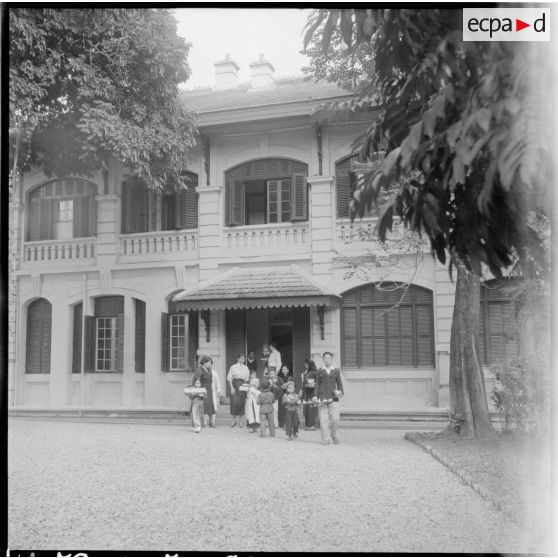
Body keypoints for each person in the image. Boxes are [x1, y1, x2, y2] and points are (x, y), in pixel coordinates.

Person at [312, 352, 344, 445]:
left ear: (332, 359)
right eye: (325, 358)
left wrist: (341, 392)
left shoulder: (336, 371)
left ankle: (333, 435)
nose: (327, 360)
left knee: (335, 419)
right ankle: (326, 438)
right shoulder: (320, 371)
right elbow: (317, 384)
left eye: (329, 358)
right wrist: (315, 395)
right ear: (323, 359)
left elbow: (340, 384)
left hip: (333, 398)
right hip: (322, 398)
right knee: (323, 420)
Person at [194, 355, 219, 428]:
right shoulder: (199, 370)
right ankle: (203, 423)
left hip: (209, 388)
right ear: (204, 362)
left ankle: (211, 422)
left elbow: (213, 380)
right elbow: (196, 380)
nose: (209, 364)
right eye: (208, 362)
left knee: (210, 405)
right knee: (203, 405)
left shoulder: (210, 370)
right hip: (202, 388)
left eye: (210, 363)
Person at [227, 352, 250, 428]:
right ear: (238, 359)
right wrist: (231, 388)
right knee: (234, 402)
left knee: (242, 403)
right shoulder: (233, 367)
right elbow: (229, 378)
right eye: (240, 358)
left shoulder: (246, 368)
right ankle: (233, 420)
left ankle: (240, 421)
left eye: (243, 358)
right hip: (235, 384)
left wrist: (246, 387)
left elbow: (247, 379)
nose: (242, 360)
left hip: (243, 385)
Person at [300, 358, 319, 430]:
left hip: (312, 393)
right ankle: (307, 425)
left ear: (310, 365)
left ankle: (313, 425)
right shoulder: (306, 372)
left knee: (312, 410)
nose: (305, 365)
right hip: (306, 393)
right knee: (306, 410)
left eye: (307, 364)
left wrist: (313, 385)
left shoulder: (315, 373)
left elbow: (318, 383)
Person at [276, 364, 290, 428]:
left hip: (288, 396)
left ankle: (287, 423)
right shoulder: (279, 378)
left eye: (285, 369)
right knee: (281, 410)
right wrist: (282, 387)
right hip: (281, 396)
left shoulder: (290, 378)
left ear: (288, 370)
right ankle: (281, 424)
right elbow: (278, 387)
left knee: (288, 409)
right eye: (283, 369)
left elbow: (293, 386)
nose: (284, 370)